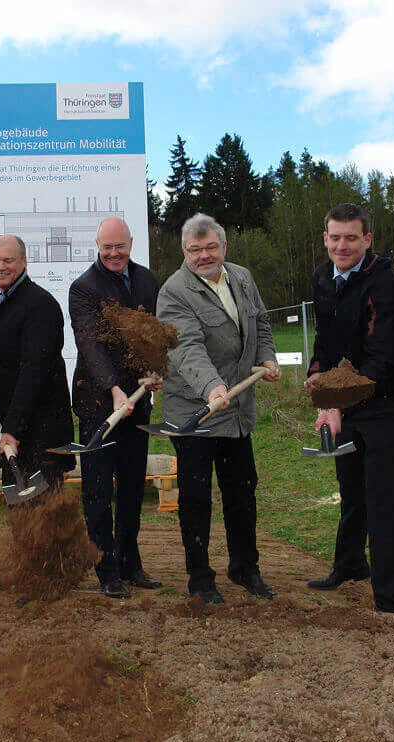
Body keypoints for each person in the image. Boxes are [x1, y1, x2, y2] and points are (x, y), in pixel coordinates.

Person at [157, 213, 281, 604]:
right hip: (194, 412)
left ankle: (245, 568)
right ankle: (200, 579)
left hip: (236, 409)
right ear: (184, 251)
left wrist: (267, 357)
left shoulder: (241, 278)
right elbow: (186, 348)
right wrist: (211, 386)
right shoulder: (174, 292)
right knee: (196, 496)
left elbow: (261, 324)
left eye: (211, 247)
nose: (204, 256)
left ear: (224, 247)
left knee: (242, 489)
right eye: (195, 250)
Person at [305, 203, 394, 614]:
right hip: (350, 396)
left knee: (382, 497)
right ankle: (350, 564)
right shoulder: (323, 278)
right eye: (335, 238)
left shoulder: (384, 284)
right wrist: (318, 379)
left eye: (351, 238)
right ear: (325, 239)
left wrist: (337, 403)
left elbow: (381, 356)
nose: (343, 246)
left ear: (367, 240)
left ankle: (389, 598)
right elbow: (325, 340)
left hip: (391, 401)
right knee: (352, 488)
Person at [68, 216, 163, 599]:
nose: (113, 253)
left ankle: (129, 562)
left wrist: (154, 369)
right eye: (106, 247)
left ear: (131, 244)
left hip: (137, 401)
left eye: (119, 246)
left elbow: (153, 334)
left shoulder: (147, 281)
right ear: (97, 246)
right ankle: (106, 569)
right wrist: (113, 390)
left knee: (132, 486)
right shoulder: (84, 288)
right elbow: (89, 344)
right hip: (98, 404)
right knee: (97, 489)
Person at [0, 235, 74, 491]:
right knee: (18, 503)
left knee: (45, 506)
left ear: (24, 261)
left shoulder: (39, 305)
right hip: (16, 425)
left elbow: (35, 371)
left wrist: (12, 429)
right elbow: (5, 356)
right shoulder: (1, 298)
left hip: (41, 430)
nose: (1, 267)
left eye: (8, 260)